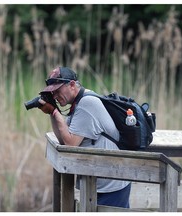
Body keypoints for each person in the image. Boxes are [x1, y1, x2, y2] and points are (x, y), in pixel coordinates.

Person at [38, 66, 131, 208]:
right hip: (99, 180)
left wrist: (56, 112)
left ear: (72, 85)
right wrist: (52, 112)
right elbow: (63, 139)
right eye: (52, 92)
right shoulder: (78, 102)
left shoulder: (86, 103)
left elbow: (71, 145)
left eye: (58, 90)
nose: (55, 96)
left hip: (112, 183)